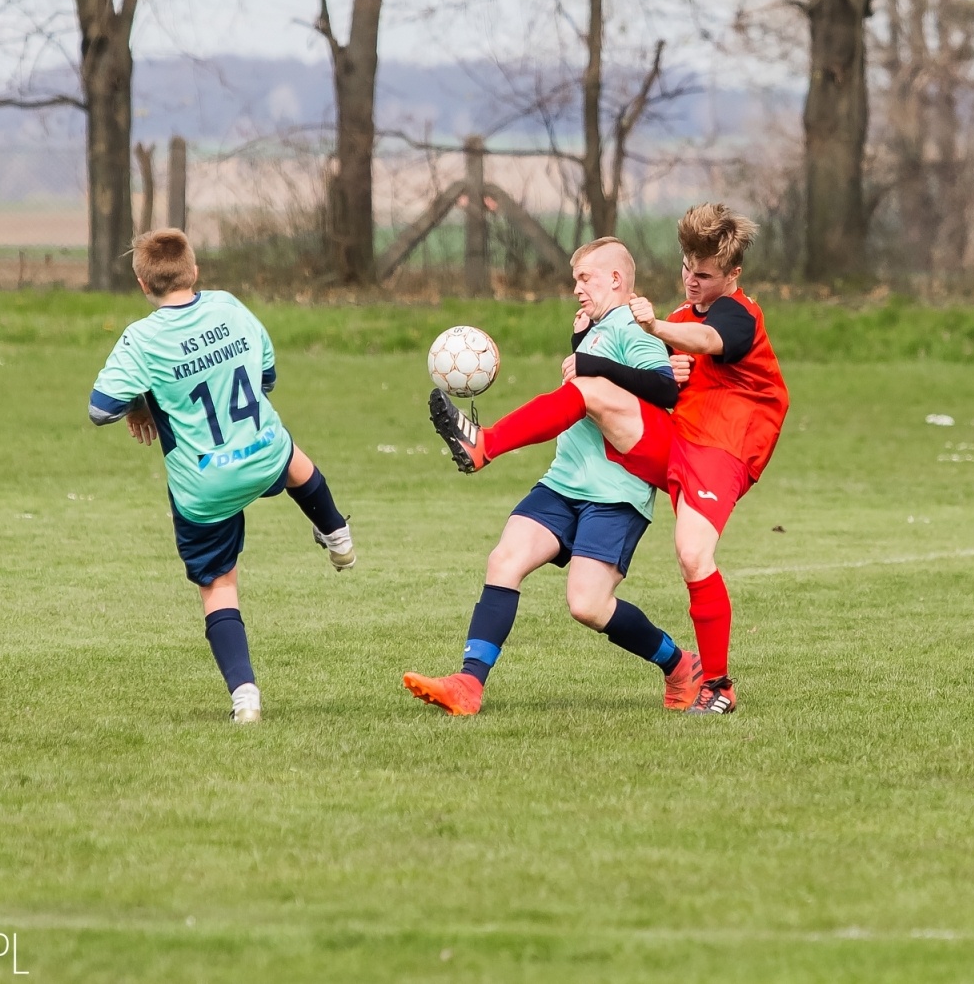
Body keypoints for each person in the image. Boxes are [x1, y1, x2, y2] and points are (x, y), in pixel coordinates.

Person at [408, 237, 701, 715]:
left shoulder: (632, 323)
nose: (577, 290)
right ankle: (468, 684)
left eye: (584, 279)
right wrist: (582, 346)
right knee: (504, 559)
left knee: (587, 605)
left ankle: (680, 665)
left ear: (615, 279)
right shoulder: (597, 329)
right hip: (564, 481)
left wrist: (591, 362)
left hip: (616, 486)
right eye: (575, 282)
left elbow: (665, 386)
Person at [88, 229, 355, 724]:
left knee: (219, 586)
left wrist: (142, 403)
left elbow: (100, 409)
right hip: (262, 452)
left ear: (142, 283)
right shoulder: (230, 307)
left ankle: (246, 696)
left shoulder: (142, 339)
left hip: (205, 485)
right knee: (292, 455)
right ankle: (337, 533)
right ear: (195, 271)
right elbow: (267, 375)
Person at [626, 203, 790, 715]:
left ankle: (717, 685)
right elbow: (659, 366)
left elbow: (711, 339)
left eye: (704, 275)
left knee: (694, 555)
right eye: (686, 269)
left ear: (732, 275)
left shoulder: (739, 314)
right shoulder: (679, 317)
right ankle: (487, 444)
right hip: (682, 437)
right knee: (594, 393)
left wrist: (654, 328)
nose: (691, 282)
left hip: (726, 443)